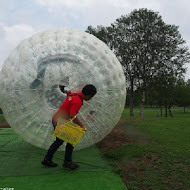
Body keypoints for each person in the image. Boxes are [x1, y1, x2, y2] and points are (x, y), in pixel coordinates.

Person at [41, 84, 97, 170]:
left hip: (59, 119)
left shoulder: (76, 94)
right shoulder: (78, 100)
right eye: (91, 97)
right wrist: (81, 125)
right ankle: (61, 161)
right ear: (89, 95)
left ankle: (59, 160)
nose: (91, 99)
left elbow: (69, 94)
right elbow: (72, 115)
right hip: (59, 121)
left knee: (66, 140)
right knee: (62, 141)